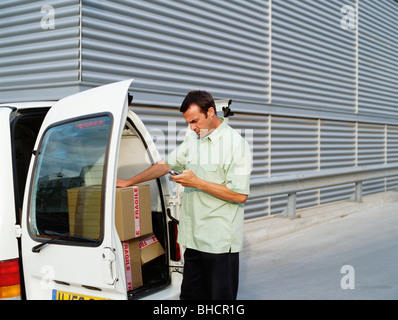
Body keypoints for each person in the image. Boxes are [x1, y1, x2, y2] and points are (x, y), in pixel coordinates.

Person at [117, 90, 252, 300]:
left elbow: (238, 195)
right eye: (189, 122)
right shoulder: (193, 138)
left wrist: (196, 182)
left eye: (195, 121)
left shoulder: (236, 145)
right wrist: (129, 181)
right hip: (194, 239)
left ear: (211, 112)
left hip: (219, 243)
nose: (192, 127)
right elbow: (166, 164)